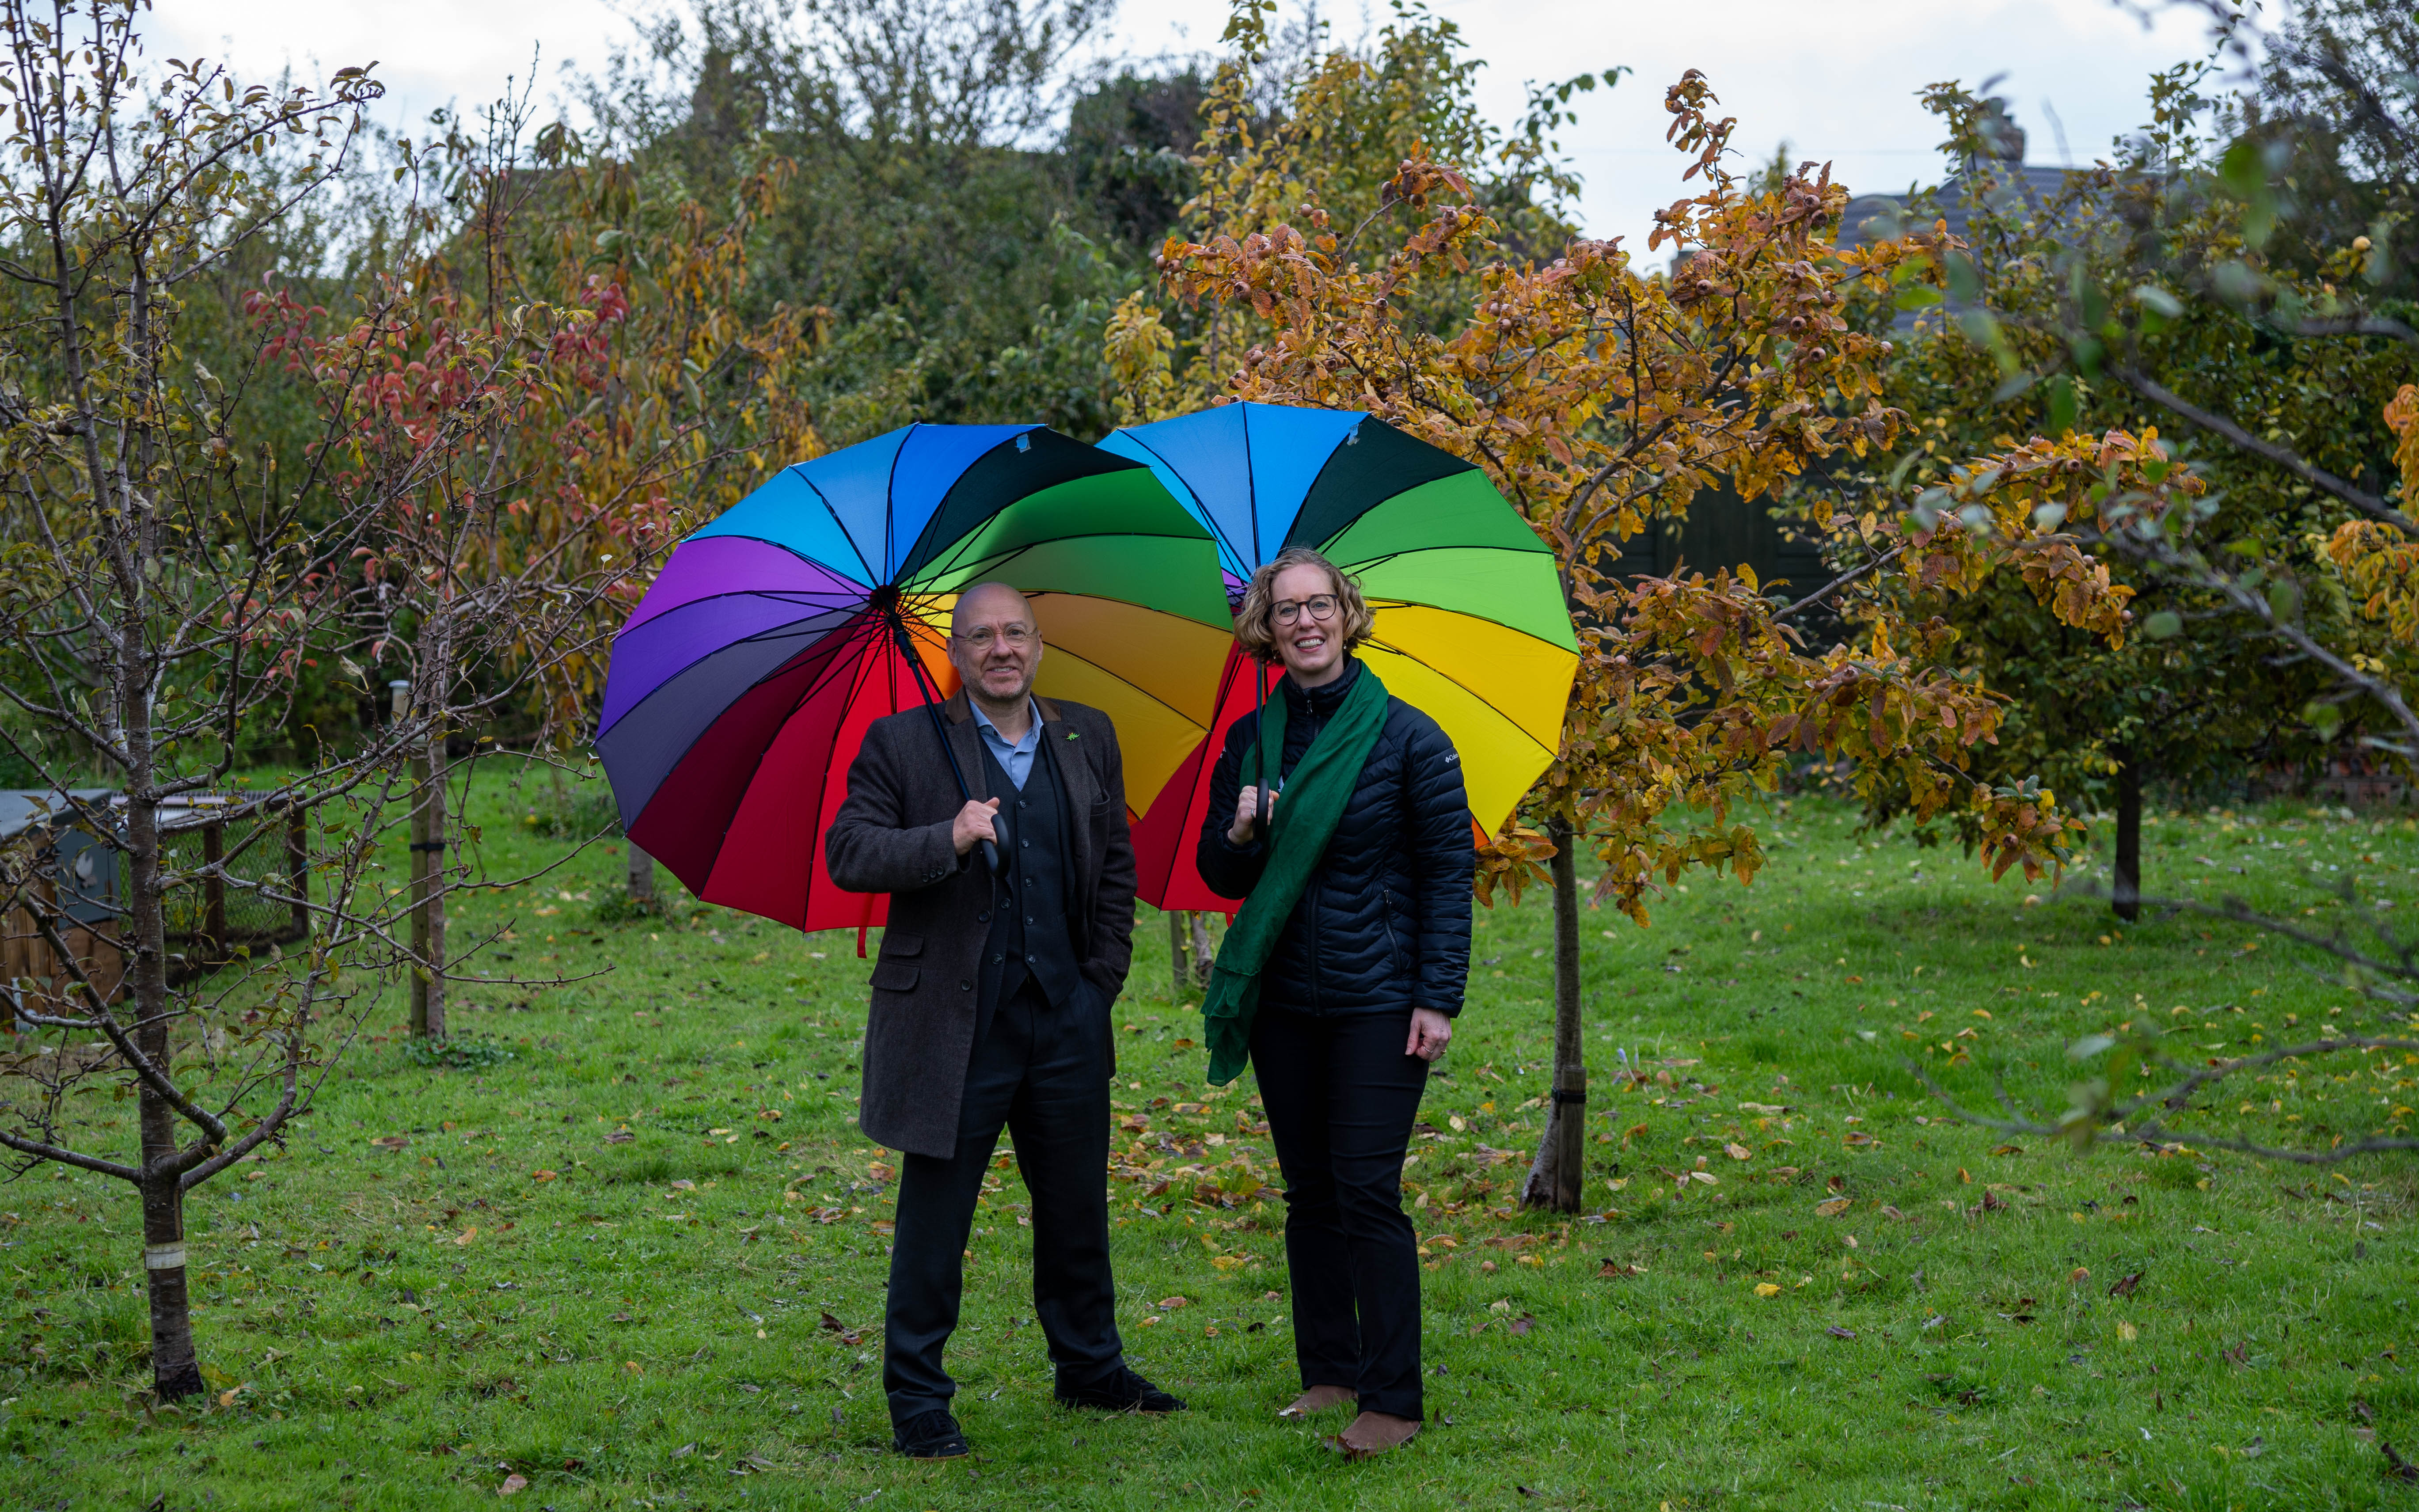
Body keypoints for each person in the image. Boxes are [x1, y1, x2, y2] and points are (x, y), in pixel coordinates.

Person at [826, 581, 1183, 1461]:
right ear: (955, 652)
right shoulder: (903, 743)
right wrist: (941, 838)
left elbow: (1112, 866)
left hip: (1064, 1015)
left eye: (1014, 632)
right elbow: (848, 851)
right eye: (981, 636)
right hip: (953, 1025)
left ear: (1036, 642)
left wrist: (1098, 981)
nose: (1000, 649)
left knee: (1074, 1210)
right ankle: (917, 1396)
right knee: (935, 1220)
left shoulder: (1085, 733)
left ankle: (1090, 1367)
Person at [1194, 546, 1472, 1457]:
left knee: (1364, 1189)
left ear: (1346, 616)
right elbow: (1217, 871)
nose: (1304, 623)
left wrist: (1437, 997)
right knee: (1309, 1190)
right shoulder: (1252, 739)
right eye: (1285, 611)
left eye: (1319, 606)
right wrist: (1239, 831)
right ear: (1263, 630)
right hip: (1283, 1000)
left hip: (1377, 999)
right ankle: (1329, 1373)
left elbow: (1446, 875)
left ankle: (1391, 1399)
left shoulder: (1408, 737)